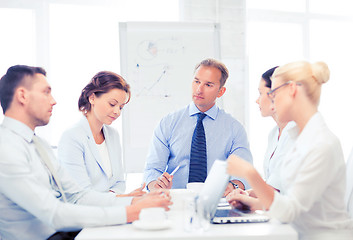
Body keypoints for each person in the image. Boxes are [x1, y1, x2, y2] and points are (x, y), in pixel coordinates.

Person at [0, 65, 171, 240]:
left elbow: (77, 195)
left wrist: (134, 201)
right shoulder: (5, 150)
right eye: (46, 92)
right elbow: (55, 214)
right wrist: (130, 212)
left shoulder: (39, 144)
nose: (53, 101)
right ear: (22, 96)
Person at [226, 61, 353, 239]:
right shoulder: (299, 137)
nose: (272, 100)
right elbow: (289, 203)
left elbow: (290, 211)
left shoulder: (321, 144)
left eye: (274, 93)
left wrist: (249, 173)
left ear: (292, 90)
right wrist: (250, 204)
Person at [144, 58, 252, 192]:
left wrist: (232, 186)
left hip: (217, 202)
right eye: (196, 82)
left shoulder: (234, 129)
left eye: (208, 85)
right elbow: (152, 169)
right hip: (175, 202)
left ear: (221, 92)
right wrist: (156, 185)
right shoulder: (168, 123)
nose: (199, 90)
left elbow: (245, 174)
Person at [58, 71, 144, 196]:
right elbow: (81, 195)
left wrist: (116, 197)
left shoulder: (113, 135)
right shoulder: (72, 137)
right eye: (112, 104)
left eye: (121, 107)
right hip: (84, 213)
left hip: (109, 211)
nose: (117, 112)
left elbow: (119, 182)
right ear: (92, 98)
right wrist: (121, 198)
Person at [255, 66, 296, 192]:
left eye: (261, 94)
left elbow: (275, 191)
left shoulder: (295, 133)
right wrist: (244, 193)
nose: (257, 101)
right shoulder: (274, 133)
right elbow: (271, 184)